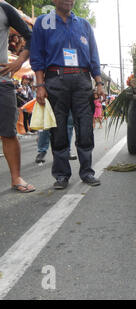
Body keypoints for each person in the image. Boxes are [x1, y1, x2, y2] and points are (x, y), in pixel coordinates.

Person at [30, 0, 105, 190]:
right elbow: (37, 56)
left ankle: (87, 171)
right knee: (59, 129)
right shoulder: (43, 22)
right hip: (55, 80)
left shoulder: (84, 25)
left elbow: (94, 56)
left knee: (85, 127)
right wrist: (40, 85)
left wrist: (99, 83)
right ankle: (62, 175)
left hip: (82, 81)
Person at [0, 1, 35, 193]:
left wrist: (20, 61)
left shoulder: (4, 8)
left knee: (8, 132)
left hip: (2, 82)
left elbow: (31, 36)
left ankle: (16, 178)